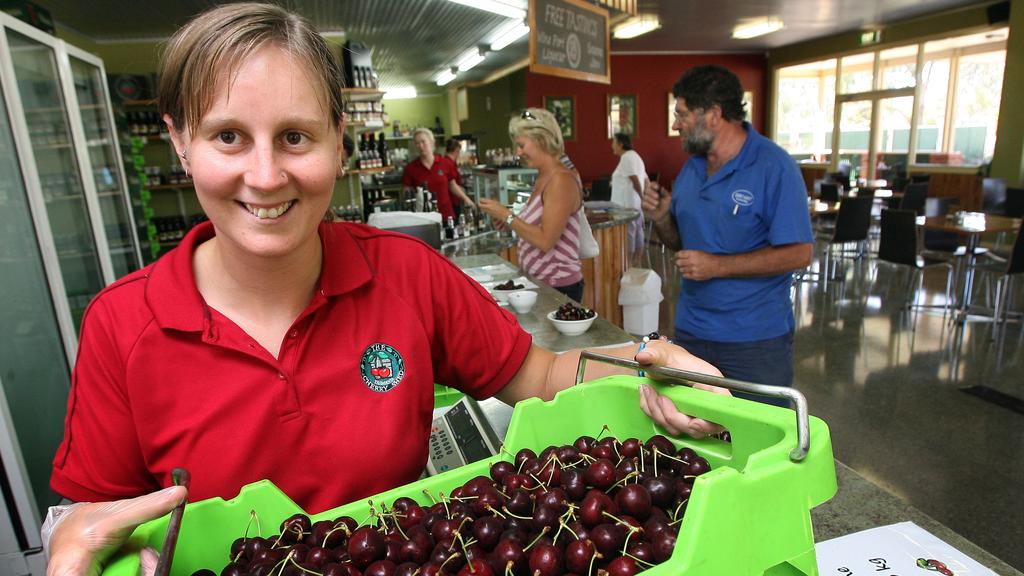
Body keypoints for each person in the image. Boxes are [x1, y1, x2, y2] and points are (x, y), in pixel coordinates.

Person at [44, 6, 727, 574]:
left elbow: (540, 370)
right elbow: (91, 521)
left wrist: (648, 355)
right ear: (180, 142)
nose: (264, 173)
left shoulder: (407, 274)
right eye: (227, 137)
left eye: (294, 137)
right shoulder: (123, 325)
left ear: (339, 143)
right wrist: (68, 547)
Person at [642, 64, 813, 403]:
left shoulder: (774, 166)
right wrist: (662, 218)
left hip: (754, 340)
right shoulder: (691, 168)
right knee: (694, 435)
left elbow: (799, 253)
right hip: (692, 331)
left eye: (683, 114)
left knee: (760, 437)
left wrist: (717, 266)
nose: (676, 124)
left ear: (714, 114)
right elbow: (681, 244)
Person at [479, 109, 586, 302]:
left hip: (559, 287)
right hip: (541, 283)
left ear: (541, 140)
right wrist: (510, 220)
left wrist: (507, 216)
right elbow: (537, 226)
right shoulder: (544, 176)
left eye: (521, 145)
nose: (518, 152)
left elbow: (546, 240)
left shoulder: (561, 180)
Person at [402, 127, 474, 220]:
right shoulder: (410, 168)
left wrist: (466, 199)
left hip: (446, 215)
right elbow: (406, 193)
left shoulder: (444, 163)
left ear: (432, 142)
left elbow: (452, 185)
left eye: (423, 141)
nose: (420, 145)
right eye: (417, 143)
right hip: (424, 217)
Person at [610, 132, 647, 260]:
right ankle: (636, 262)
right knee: (637, 233)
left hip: (626, 206)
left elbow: (635, 180)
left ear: (620, 144)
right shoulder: (636, 157)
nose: (612, 145)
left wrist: (643, 198)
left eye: (614, 142)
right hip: (635, 205)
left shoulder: (626, 157)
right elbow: (646, 180)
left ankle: (627, 264)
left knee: (628, 235)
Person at [442, 138, 466, 217]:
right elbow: (450, 184)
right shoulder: (448, 163)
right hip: (452, 201)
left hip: (455, 199)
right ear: (456, 150)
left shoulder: (449, 162)